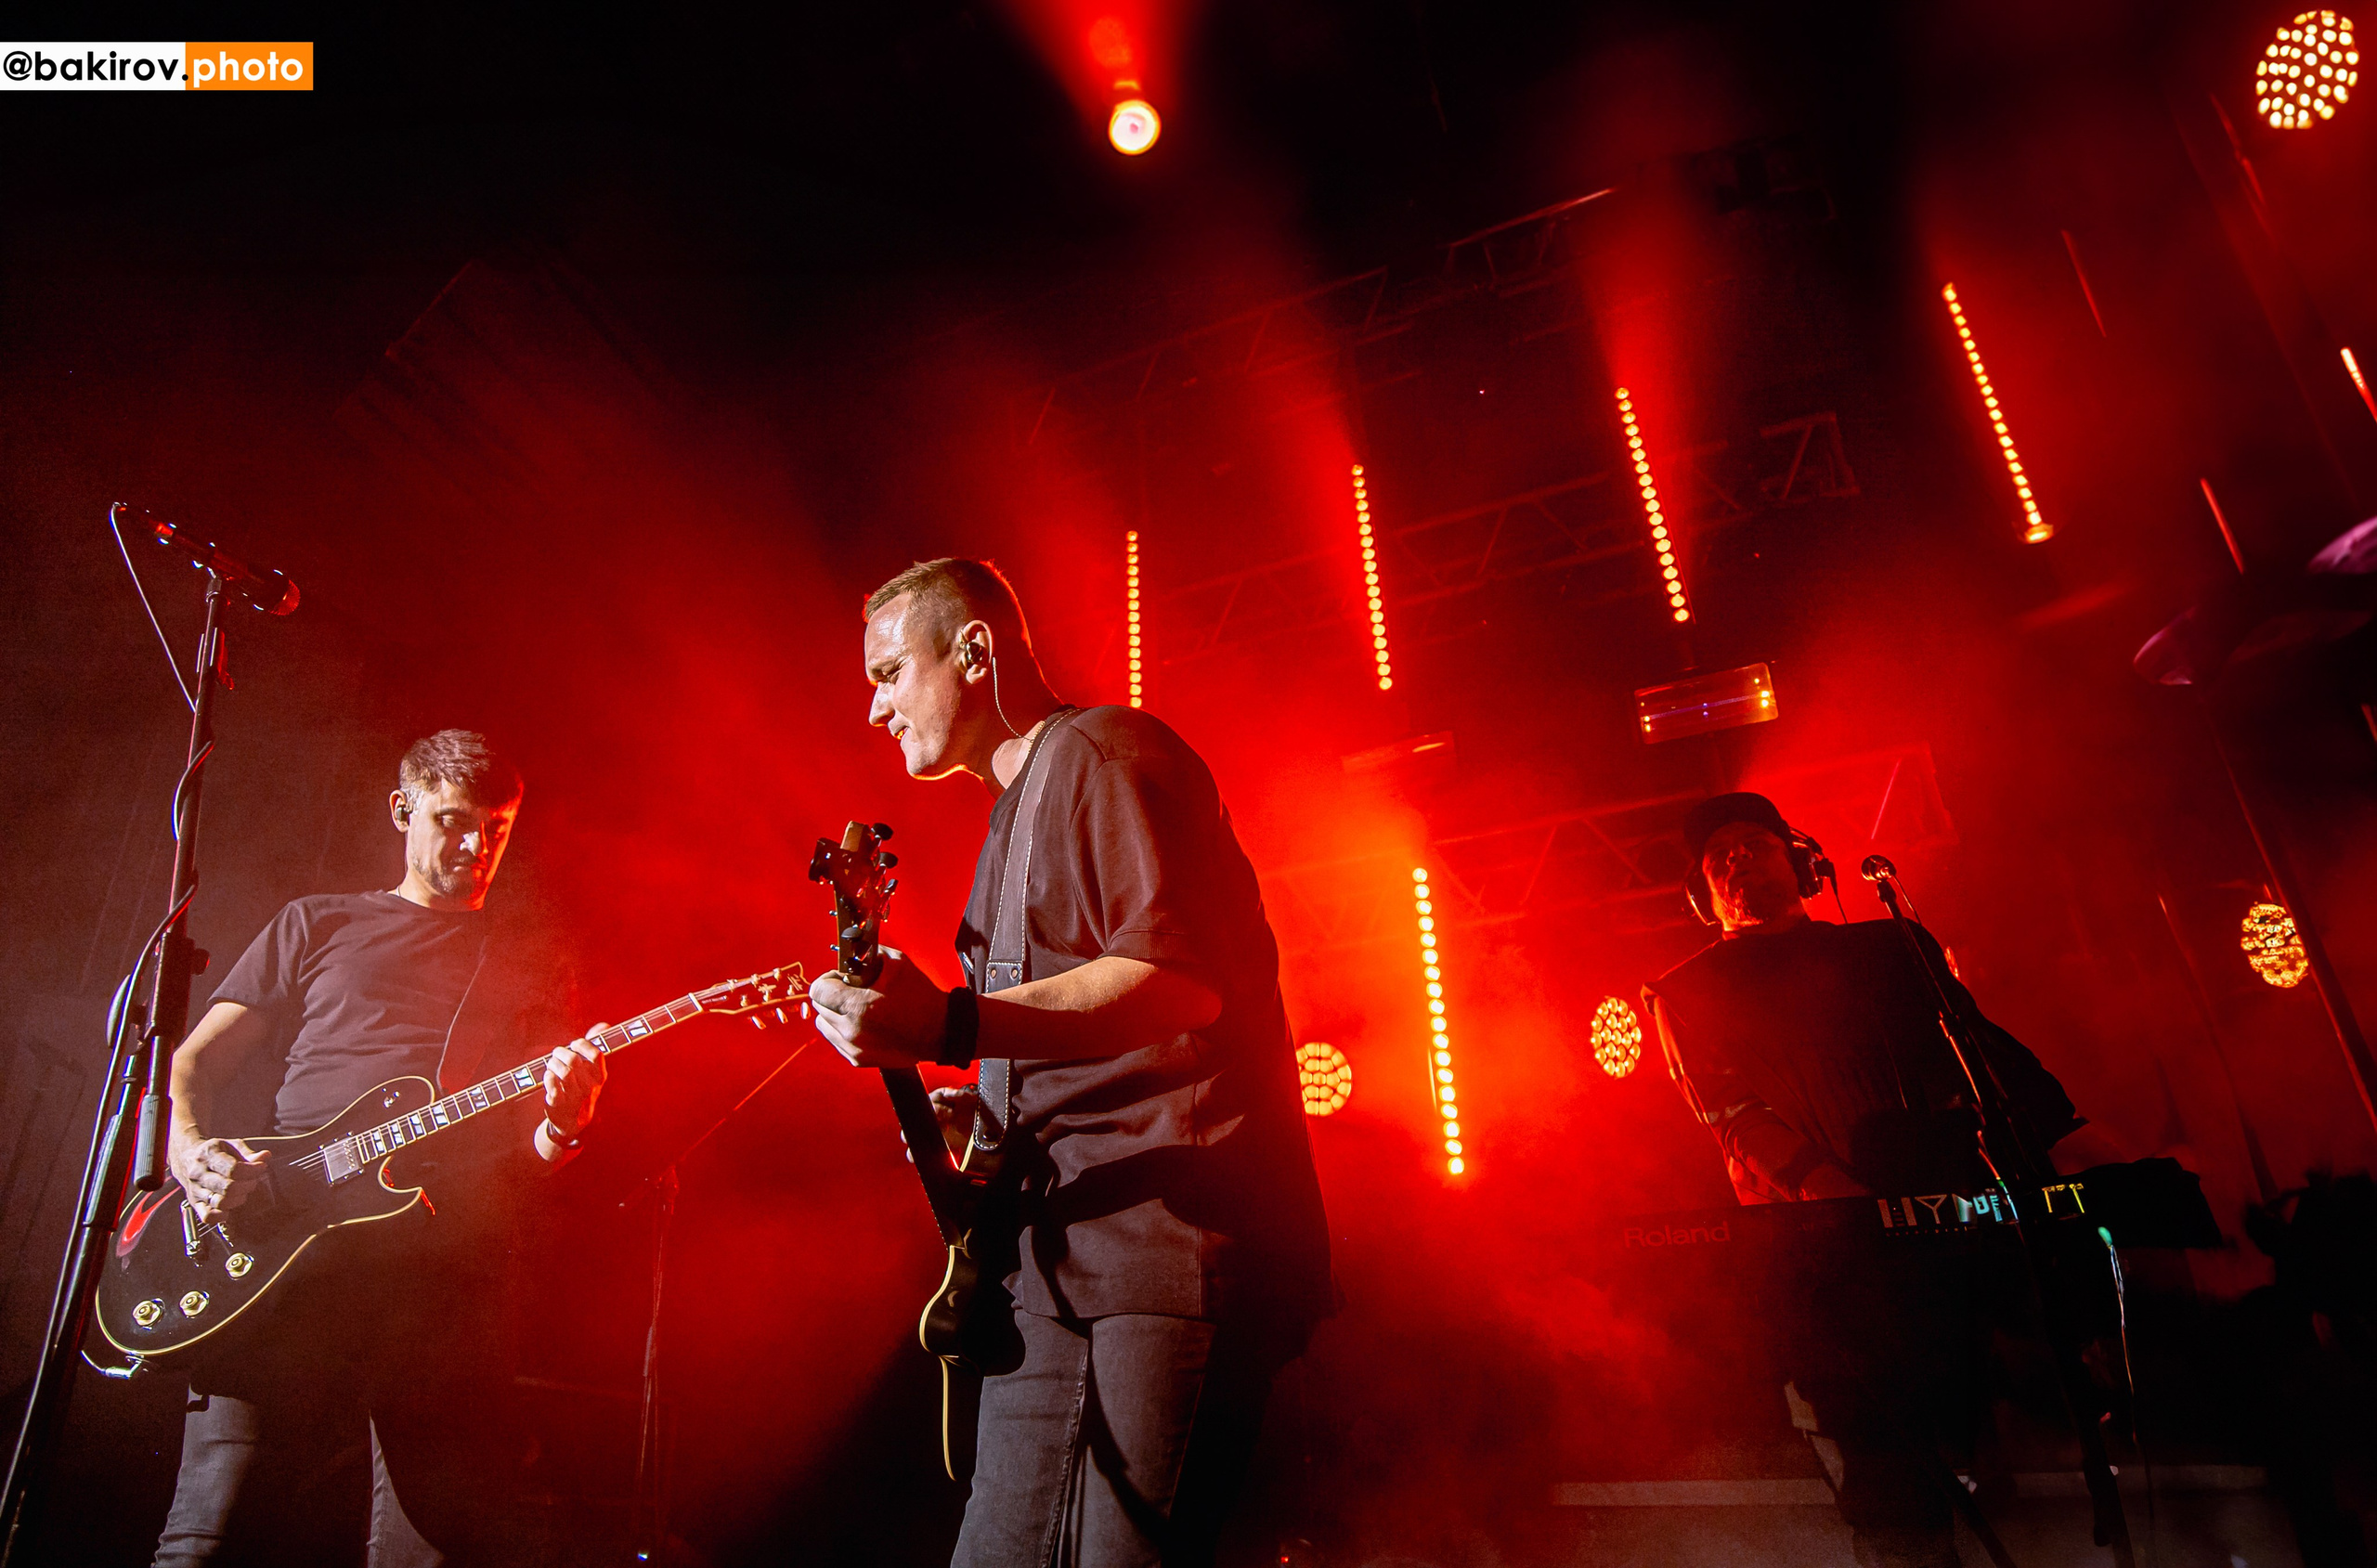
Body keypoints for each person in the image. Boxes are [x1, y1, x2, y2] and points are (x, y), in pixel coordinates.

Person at [808, 558, 1333, 1568]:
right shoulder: (1009, 818)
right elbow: (1062, 1040)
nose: (874, 708)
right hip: (1055, 1268)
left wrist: (951, 1026)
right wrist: (981, 1108)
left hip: (1164, 1244)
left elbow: (1178, 984)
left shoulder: (1108, 751)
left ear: (974, 650)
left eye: (889, 672)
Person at [152, 730, 606, 1567]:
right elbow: (193, 1064)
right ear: (402, 810)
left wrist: (563, 1126)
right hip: (281, 1241)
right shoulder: (317, 921)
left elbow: (529, 1160)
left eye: (497, 829)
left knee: (429, 1549)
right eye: (453, 821)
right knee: (210, 1539)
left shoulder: (528, 962)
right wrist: (190, 1154)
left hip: (438, 1274)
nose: (476, 846)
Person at [1643, 792, 2093, 1568]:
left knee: (1994, 1441)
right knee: (1884, 1469)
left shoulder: (1890, 948)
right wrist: (1840, 1198)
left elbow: (1975, 1053)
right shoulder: (1685, 989)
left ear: (1803, 864)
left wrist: (2065, 1137)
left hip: (1946, 1238)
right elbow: (1733, 1114)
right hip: (1822, 1259)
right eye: (1719, 858)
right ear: (1702, 896)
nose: (1739, 859)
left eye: (1756, 843)